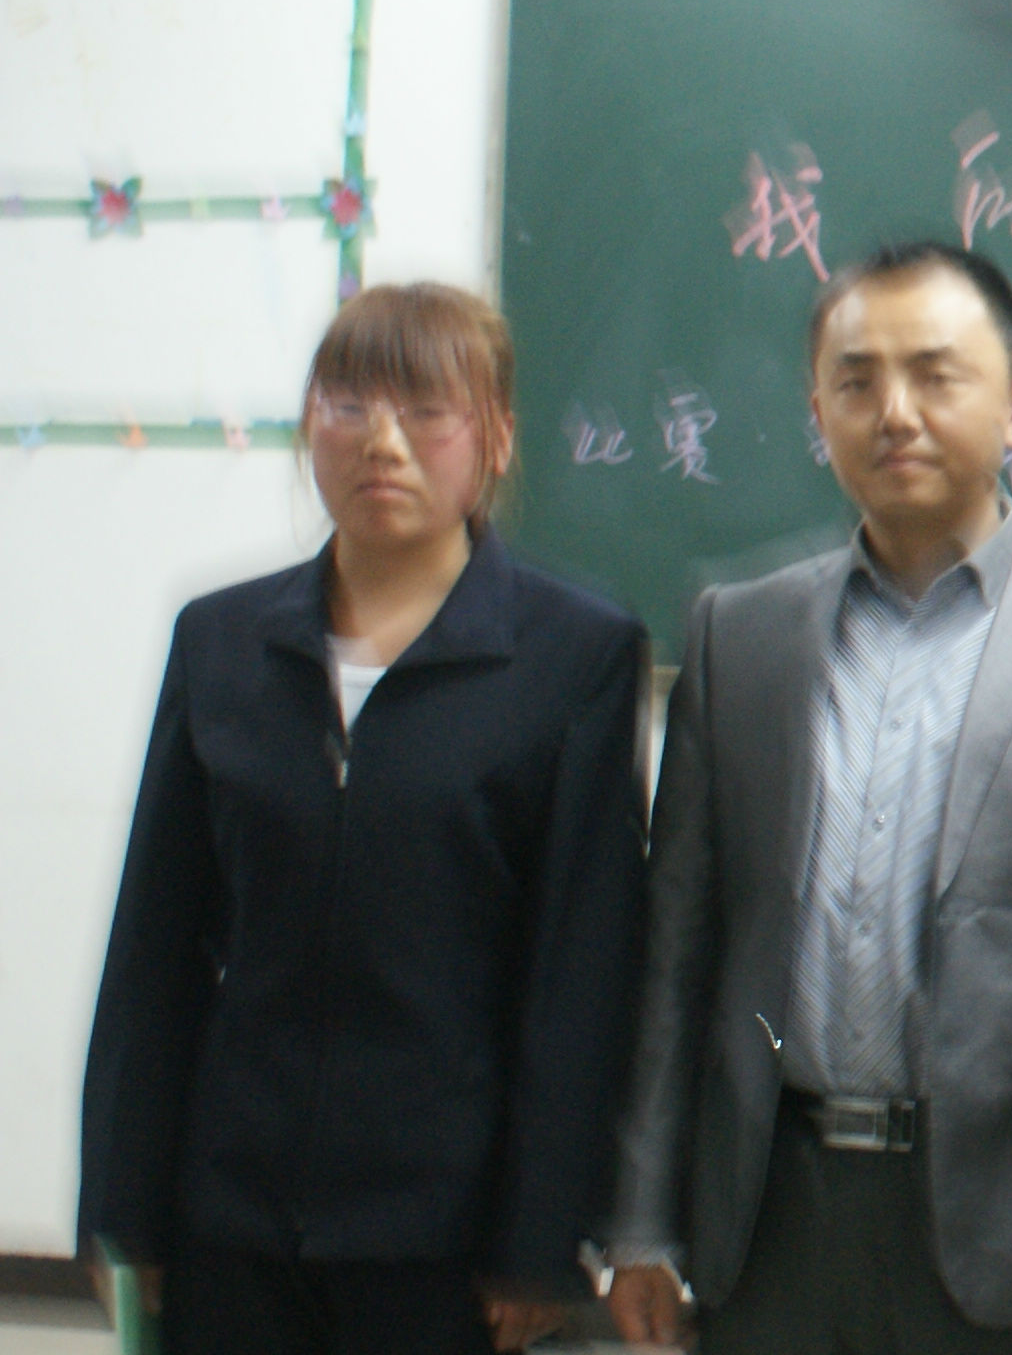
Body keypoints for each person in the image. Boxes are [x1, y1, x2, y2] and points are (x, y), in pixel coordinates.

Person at [601, 241, 1012, 1355]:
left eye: (935, 375)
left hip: (1005, 1220)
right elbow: (676, 948)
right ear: (817, 413)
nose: (894, 413)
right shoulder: (736, 630)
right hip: (766, 1215)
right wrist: (642, 1217)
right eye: (856, 381)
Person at [80, 282, 649, 1355]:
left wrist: (541, 1239)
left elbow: (579, 977)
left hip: (444, 1232)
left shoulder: (576, 654)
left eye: (426, 410)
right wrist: (125, 1203)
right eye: (347, 406)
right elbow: (153, 944)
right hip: (230, 1211)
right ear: (311, 425)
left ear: (495, 438)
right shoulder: (222, 641)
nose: (382, 442)